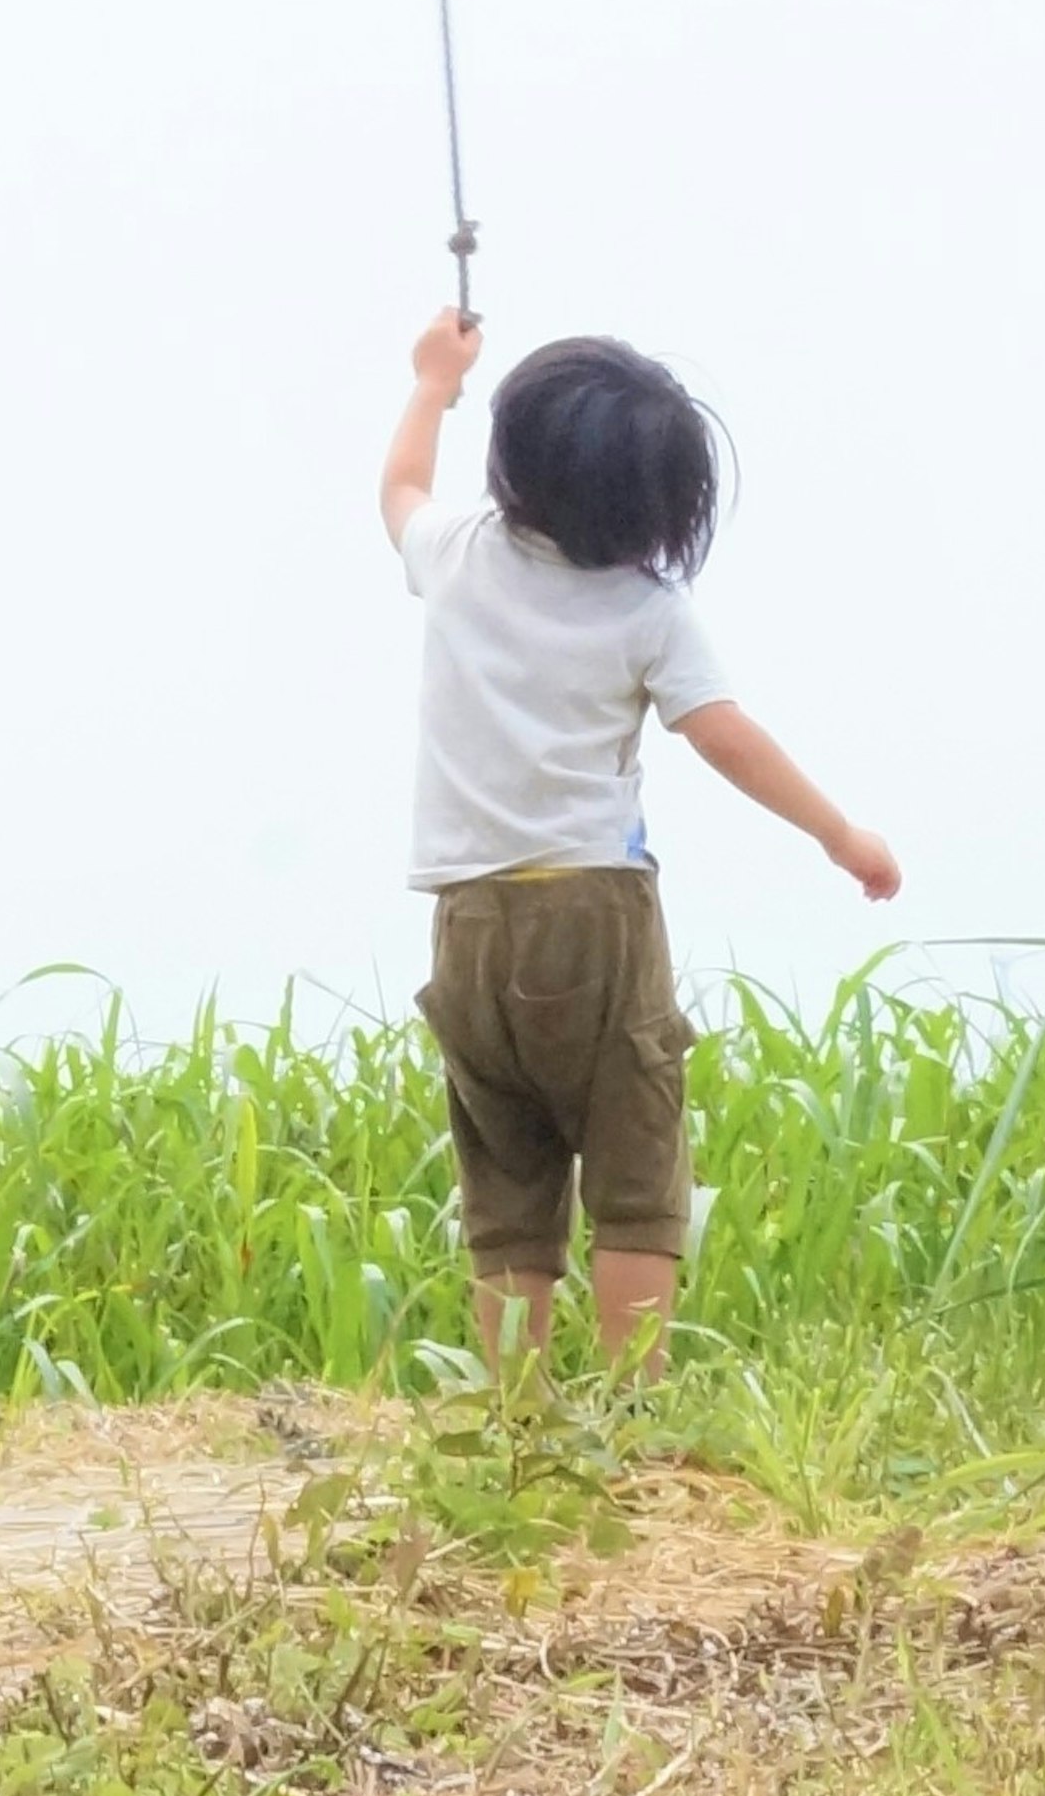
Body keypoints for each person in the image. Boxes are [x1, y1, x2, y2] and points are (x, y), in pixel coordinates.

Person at [381, 309, 900, 1367]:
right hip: (594, 907)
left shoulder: (456, 555)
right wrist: (838, 830)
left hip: (468, 915)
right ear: (657, 505)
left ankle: (516, 1413)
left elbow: (399, 490)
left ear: (513, 460)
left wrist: (434, 381)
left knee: (509, 1167)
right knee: (634, 1161)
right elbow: (723, 733)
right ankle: (632, 1403)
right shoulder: (646, 607)